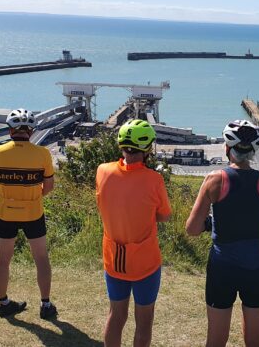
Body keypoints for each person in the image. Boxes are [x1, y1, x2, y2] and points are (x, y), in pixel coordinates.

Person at [186, 119, 259, 347]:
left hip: (222, 267)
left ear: (227, 148)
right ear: (253, 151)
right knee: (256, 340)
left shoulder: (214, 180)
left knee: (216, 340)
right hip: (257, 266)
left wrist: (210, 223)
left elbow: (192, 229)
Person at [96, 119, 171, 347]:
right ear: (147, 149)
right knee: (144, 322)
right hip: (145, 261)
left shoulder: (102, 171)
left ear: (121, 145)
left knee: (116, 316)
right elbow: (164, 215)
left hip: (114, 259)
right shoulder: (154, 180)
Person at [0, 108, 57, 319]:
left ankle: (4, 304)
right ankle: (45, 305)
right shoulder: (42, 153)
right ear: (31, 131)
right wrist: (33, 196)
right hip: (33, 213)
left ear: (10, 130)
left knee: (3, 259)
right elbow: (49, 186)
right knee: (41, 258)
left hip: (5, 213)